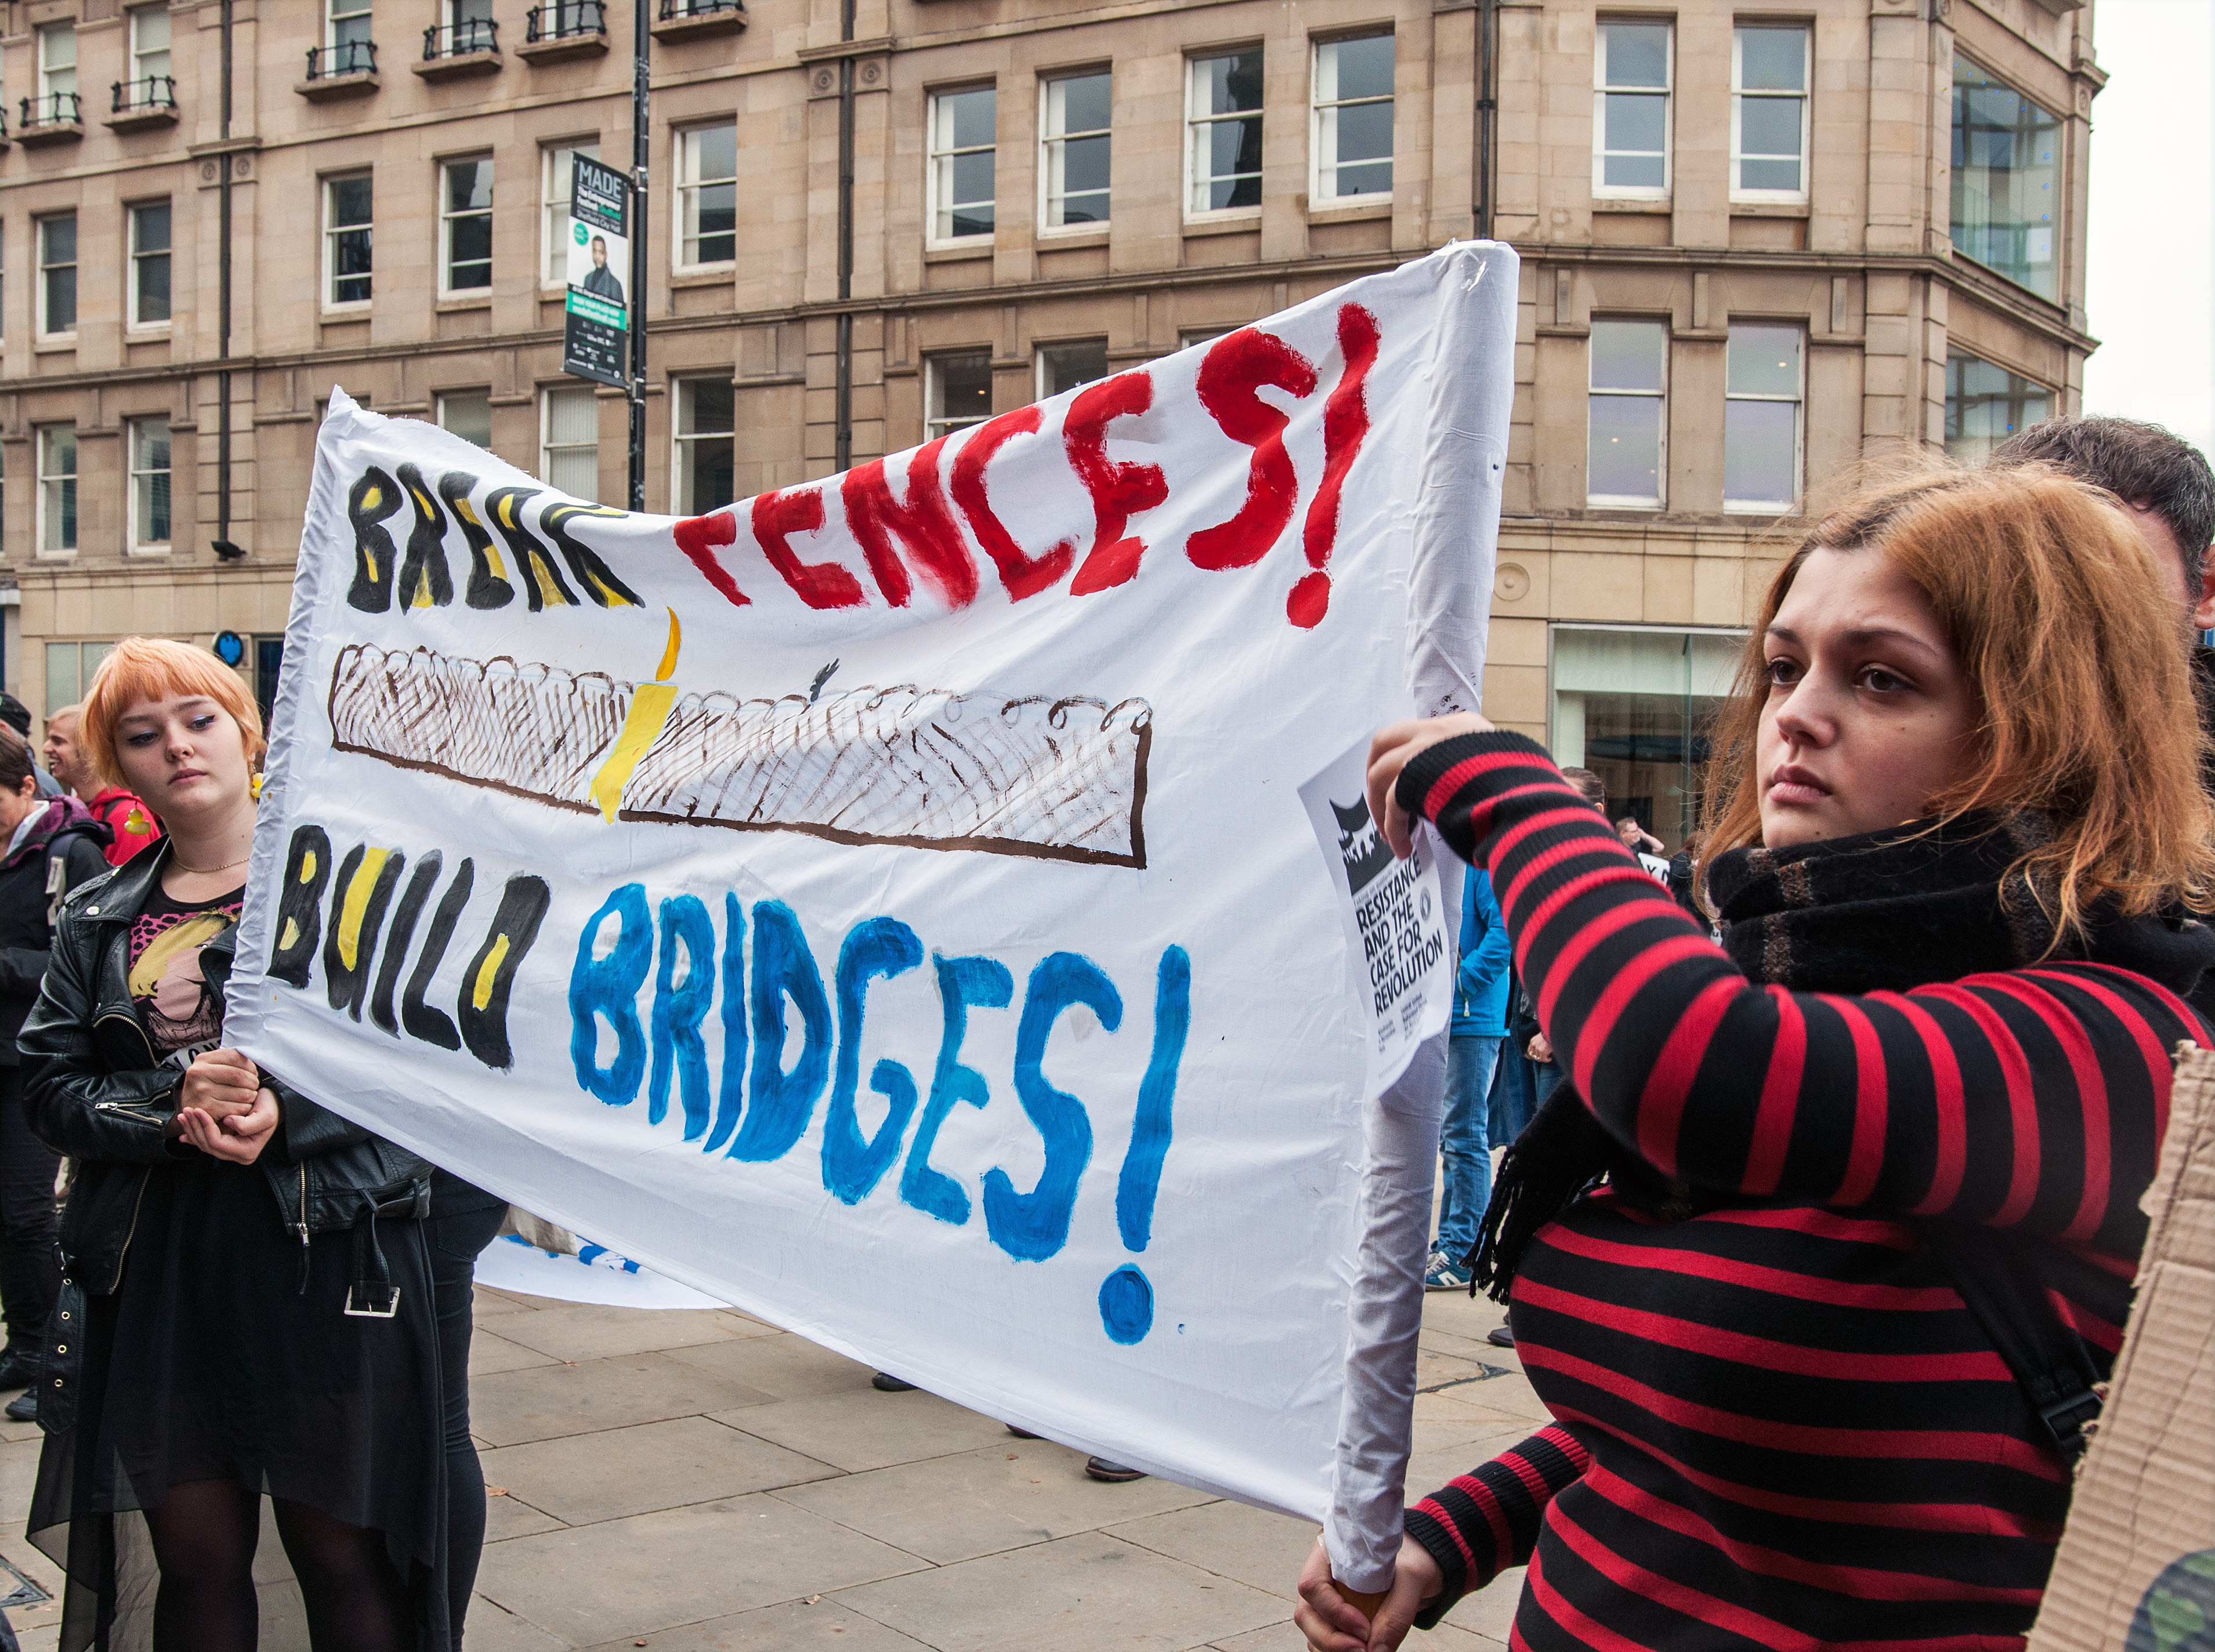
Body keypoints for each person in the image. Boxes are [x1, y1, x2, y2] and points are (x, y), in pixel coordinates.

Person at [1295, 465, 2215, 1651]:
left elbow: (1694, 1070)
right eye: (1786, 665)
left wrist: (1514, 795)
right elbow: (1680, 1395)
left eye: (1880, 676)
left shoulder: (2120, 1037)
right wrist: (1452, 1532)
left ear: (2041, 729)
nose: (1797, 712)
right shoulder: (1785, 975)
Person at [17, 637, 485, 1652]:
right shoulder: (100, 912)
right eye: (142, 734)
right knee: (195, 1558)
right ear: (116, 764)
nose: (177, 747)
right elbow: (50, 1086)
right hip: (159, 1270)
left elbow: (424, 1065)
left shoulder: (345, 886)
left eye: (198, 720)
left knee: (342, 1554)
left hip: (323, 1256)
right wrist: (172, 1103)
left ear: (247, 733)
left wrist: (288, 1116)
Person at [0, 728, 110, 1423]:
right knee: (7, 1220)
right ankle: (27, 1340)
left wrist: (7, 965)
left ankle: (58, 1364)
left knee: (31, 1214)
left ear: (25, 786)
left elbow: (91, 965)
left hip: (34, 1064)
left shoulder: (73, 850)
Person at [1424, 868, 1509, 1291]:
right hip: (1453, 1020)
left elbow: (1504, 935)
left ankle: (1464, 1252)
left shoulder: (1482, 864)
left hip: (1473, 1021)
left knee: (1464, 1135)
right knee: (1454, 1136)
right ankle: (1452, 1244)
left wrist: (1458, 983)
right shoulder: (1457, 860)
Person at [42, 704, 162, 867]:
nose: (46, 748)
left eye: (58, 741)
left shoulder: (126, 818)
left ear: (90, 749)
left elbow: (123, 889)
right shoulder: (79, 809)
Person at [1612, 815, 1670, 883]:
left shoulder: (1637, 847)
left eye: (1638, 831)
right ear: (1623, 834)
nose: (1637, 834)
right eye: (1634, 832)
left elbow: (1659, 847)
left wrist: (1643, 835)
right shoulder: (1614, 849)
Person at [582, 235, 625, 304]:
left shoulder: (615, 284)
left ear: (606, 255)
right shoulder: (588, 278)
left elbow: (619, 313)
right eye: (595, 251)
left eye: (601, 252)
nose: (597, 256)